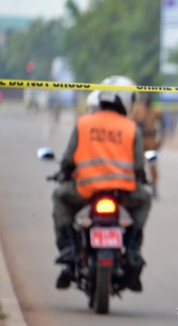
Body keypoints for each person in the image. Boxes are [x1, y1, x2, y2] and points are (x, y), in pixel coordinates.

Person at [52, 76, 152, 292]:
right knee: (145, 199)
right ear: (126, 101)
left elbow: (69, 159)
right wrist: (141, 178)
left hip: (85, 191)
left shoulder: (84, 123)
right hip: (122, 192)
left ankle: (68, 248)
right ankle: (133, 248)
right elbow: (137, 165)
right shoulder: (131, 128)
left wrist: (63, 173)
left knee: (60, 197)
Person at [130, 93, 163, 198]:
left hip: (150, 141)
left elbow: (162, 124)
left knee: (152, 164)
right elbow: (131, 122)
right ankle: (137, 187)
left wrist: (160, 139)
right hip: (140, 140)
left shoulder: (155, 111)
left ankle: (154, 187)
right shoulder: (138, 109)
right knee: (138, 164)